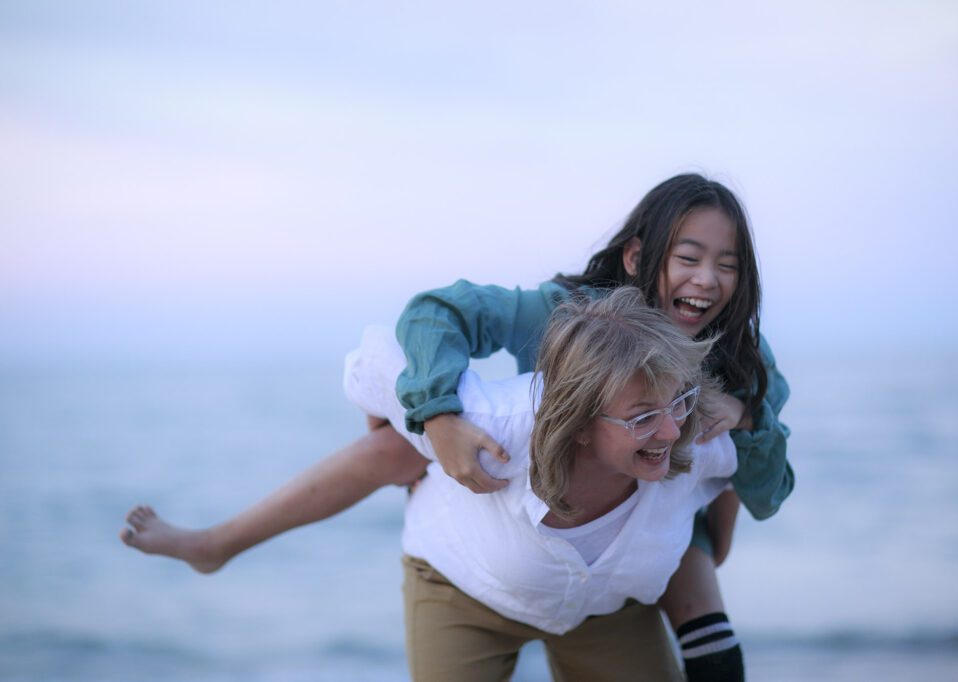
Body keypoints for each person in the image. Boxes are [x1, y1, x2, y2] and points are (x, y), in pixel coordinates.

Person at [121, 172, 792, 681]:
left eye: (727, 265)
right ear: (636, 257)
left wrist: (746, 414)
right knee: (398, 445)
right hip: (509, 513)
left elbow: (767, 488)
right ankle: (219, 542)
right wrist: (437, 416)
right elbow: (434, 315)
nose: (707, 280)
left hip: (640, 540)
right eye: (689, 257)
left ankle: (702, 613)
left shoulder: (738, 359)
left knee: (697, 463)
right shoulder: (564, 316)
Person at [346, 288, 735, 681]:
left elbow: (749, 464)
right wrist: (415, 427)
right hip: (466, 590)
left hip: (603, 608)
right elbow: (371, 358)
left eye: (677, 402)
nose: (670, 431)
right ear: (580, 424)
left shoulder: (695, 439)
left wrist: (721, 537)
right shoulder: (488, 428)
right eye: (643, 418)